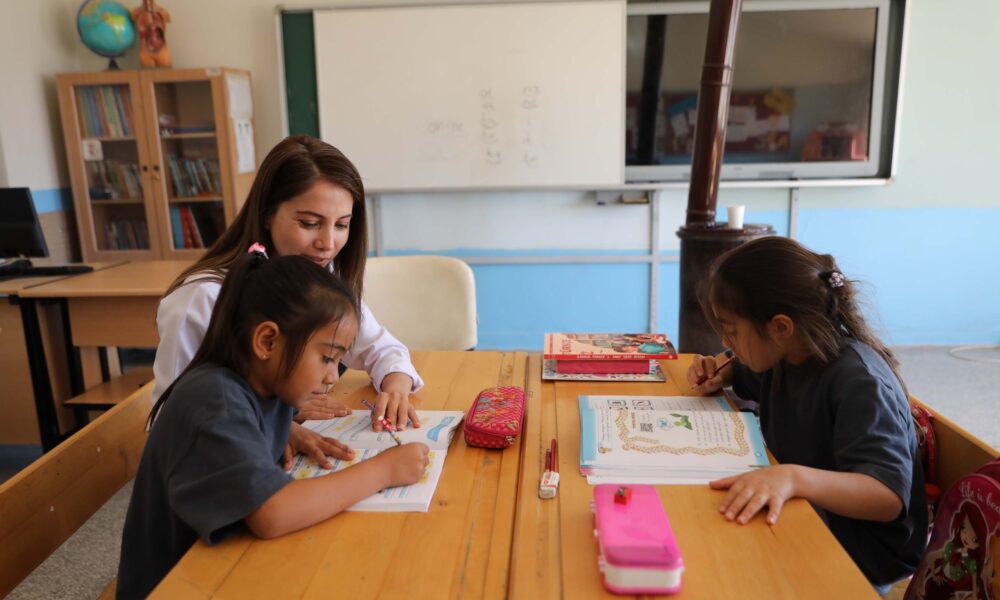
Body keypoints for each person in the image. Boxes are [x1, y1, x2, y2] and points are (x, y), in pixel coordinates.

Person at [116, 251, 430, 599]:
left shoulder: (266, 386)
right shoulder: (215, 399)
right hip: (177, 585)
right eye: (327, 358)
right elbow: (272, 513)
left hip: (225, 562)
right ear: (267, 341)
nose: (332, 376)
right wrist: (384, 471)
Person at [686, 236, 927, 593]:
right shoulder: (790, 352)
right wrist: (721, 372)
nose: (725, 342)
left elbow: (886, 496)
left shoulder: (860, 381)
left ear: (780, 328)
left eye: (731, 331)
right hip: (811, 512)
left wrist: (794, 478)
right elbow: (745, 372)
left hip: (860, 553)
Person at [153, 135, 422, 432]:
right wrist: (285, 421)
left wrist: (396, 388)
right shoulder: (203, 297)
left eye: (342, 225)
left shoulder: (321, 278)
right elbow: (171, 418)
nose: (327, 243)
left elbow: (381, 348)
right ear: (267, 214)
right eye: (309, 223)